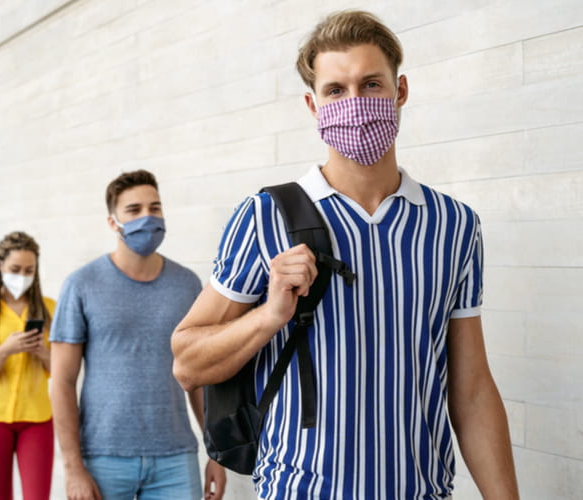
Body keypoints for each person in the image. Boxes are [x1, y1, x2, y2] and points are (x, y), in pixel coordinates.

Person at [171, 10, 519, 500]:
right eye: (336, 90)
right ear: (314, 106)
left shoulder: (454, 225)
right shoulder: (264, 215)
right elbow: (187, 361)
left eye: (371, 84)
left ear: (399, 92)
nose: (355, 104)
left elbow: (472, 388)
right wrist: (269, 316)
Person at [50, 169, 226, 500]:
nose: (148, 217)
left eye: (155, 208)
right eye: (134, 210)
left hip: (176, 457)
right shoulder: (81, 285)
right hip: (102, 458)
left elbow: (200, 377)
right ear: (112, 222)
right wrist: (73, 467)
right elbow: (61, 381)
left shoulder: (187, 283)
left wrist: (216, 452)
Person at [0, 231, 55, 500]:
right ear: (0, 267)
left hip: (37, 420)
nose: (22, 276)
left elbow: (59, 371)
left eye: (29, 270)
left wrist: (43, 353)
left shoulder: (51, 308)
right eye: (15, 269)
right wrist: (4, 351)